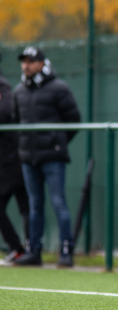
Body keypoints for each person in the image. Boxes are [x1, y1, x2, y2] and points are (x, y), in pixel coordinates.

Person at [12, 47, 81, 267]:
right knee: (35, 205)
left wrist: (57, 143)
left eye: (31, 61)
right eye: (24, 61)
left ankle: (66, 252)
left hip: (52, 157)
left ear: (42, 63)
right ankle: (35, 252)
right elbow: (16, 121)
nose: (26, 65)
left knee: (58, 202)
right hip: (28, 158)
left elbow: (74, 120)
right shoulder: (19, 91)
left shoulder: (59, 88)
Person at [0, 50, 30, 264]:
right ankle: (20, 248)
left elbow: (5, 113)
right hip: (6, 158)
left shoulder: (3, 86)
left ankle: (23, 248)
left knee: (27, 205)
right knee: (26, 205)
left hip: (11, 158)